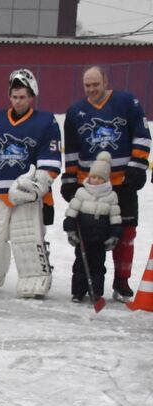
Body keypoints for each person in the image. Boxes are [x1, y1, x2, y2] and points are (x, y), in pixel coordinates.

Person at [0, 69, 62, 298]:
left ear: (31, 96)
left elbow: (50, 160)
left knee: (26, 237)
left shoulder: (46, 121)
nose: (18, 102)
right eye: (14, 97)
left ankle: (34, 278)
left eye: (22, 97)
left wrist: (37, 185)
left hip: (25, 193)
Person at [62, 66, 150, 301]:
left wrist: (137, 166)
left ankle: (121, 281)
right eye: (87, 86)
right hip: (88, 186)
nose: (91, 90)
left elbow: (141, 135)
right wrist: (70, 179)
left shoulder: (127, 102)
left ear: (105, 81)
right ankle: (85, 283)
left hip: (122, 182)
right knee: (89, 235)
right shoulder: (75, 112)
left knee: (126, 232)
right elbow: (71, 150)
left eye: (96, 84)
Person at [64, 151, 122, 303]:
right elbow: (71, 214)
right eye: (94, 176)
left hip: (100, 240)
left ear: (106, 179)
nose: (95, 180)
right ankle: (78, 292)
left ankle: (95, 292)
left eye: (100, 178)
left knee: (98, 267)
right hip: (82, 238)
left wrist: (114, 235)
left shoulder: (111, 196)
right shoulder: (81, 193)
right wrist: (71, 231)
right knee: (80, 265)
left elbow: (115, 218)